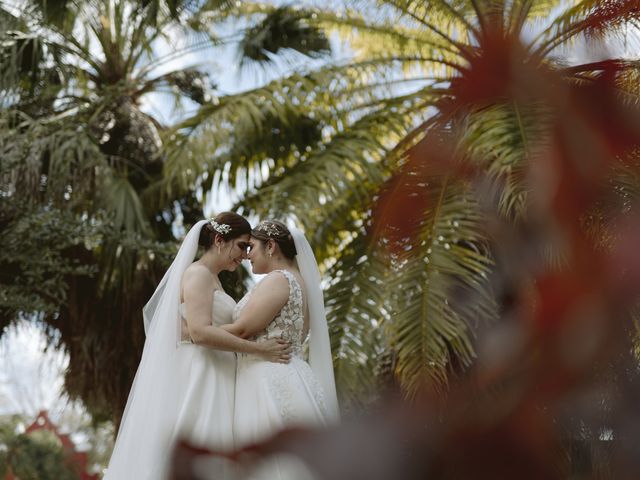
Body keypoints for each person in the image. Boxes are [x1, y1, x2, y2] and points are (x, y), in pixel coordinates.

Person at [104, 213, 290, 480]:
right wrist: (261, 350)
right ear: (218, 240)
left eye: (249, 248)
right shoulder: (198, 275)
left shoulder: (211, 279)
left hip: (218, 370)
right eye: (241, 245)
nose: (245, 255)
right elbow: (200, 333)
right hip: (202, 373)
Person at [221, 220, 339, 452]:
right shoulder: (301, 282)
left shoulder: (279, 279)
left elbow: (243, 329)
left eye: (251, 247)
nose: (247, 256)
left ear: (271, 246)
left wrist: (198, 331)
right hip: (294, 374)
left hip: (267, 379)